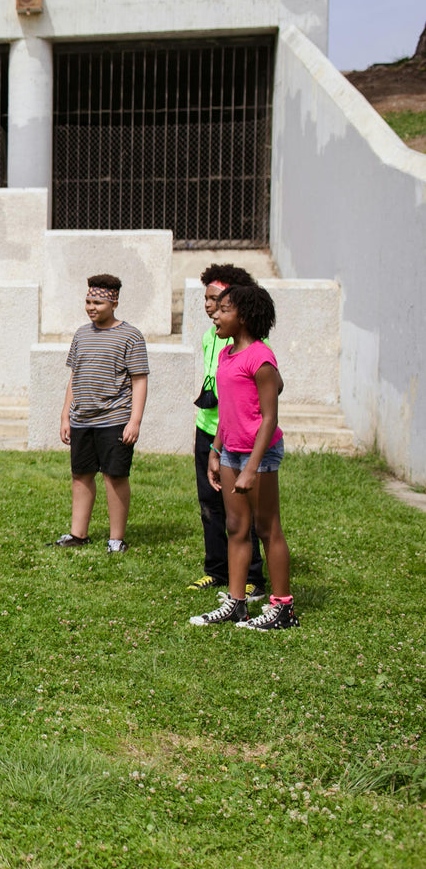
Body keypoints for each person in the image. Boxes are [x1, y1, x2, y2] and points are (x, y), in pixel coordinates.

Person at [189, 283, 297, 630]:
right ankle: (237, 604)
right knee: (236, 526)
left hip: (259, 453)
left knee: (267, 528)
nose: (215, 315)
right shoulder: (226, 354)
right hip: (231, 450)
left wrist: (252, 467)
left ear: (246, 317)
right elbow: (228, 410)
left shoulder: (261, 358)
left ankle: (282, 609)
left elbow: (269, 417)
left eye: (224, 310)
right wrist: (216, 451)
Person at [48, 273, 149, 553]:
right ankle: (77, 534)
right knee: (81, 474)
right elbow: (74, 376)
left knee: (114, 476)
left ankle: (116, 539)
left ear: (113, 302)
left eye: (97, 302)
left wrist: (135, 421)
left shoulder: (130, 336)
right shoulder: (81, 334)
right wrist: (65, 415)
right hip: (82, 419)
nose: (91, 307)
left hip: (115, 420)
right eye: (88, 301)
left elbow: (139, 379)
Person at [187, 263, 266, 599]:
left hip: (238, 436)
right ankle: (216, 570)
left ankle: (252, 576)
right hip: (208, 430)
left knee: (242, 509)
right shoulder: (210, 336)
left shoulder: (248, 344)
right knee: (210, 502)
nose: (210, 307)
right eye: (207, 300)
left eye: (217, 301)